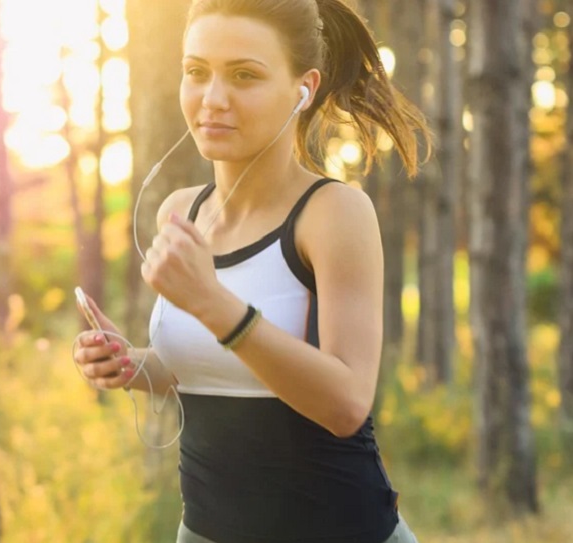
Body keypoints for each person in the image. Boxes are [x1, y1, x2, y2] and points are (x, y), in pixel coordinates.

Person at [73, 0, 430, 541]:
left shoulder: (333, 213)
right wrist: (130, 364)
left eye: (244, 75)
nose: (212, 100)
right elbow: (196, 368)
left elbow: (347, 404)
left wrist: (215, 305)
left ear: (302, 88)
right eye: (196, 72)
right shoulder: (180, 211)